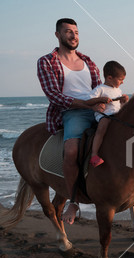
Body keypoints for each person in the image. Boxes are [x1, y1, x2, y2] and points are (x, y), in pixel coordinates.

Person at [37, 18, 108, 225]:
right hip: (72, 112)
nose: (73, 35)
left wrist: (107, 100)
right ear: (58, 35)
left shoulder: (88, 61)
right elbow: (53, 95)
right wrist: (87, 105)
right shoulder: (47, 61)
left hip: (96, 108)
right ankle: (74, 200)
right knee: (71, 152)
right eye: (68, 31)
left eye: (76, 32)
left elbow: (98, 88)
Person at [89, 61, 129, 167]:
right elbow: (89, 100)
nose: (122, 82)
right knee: (103, 127)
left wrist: (124, 101)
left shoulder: (118, 90)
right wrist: (99, 101)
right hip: (104, 115)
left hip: (116, 115)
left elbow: (120, 106)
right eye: (120, 80)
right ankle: (94, 154)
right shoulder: (100, 89)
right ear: (110, 78)